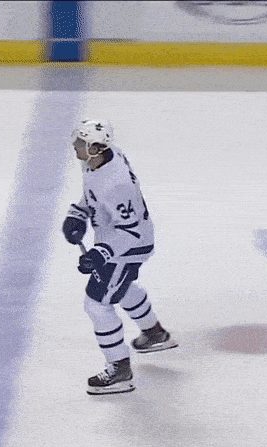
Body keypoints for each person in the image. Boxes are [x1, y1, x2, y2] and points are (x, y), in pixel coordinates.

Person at [62, 119, 178, 395]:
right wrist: (78, 212)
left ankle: (120, 370)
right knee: (120, 289)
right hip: (117, 244)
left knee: (97, 304)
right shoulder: (100, 160)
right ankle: (154, 333)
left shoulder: (116, 184)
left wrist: (101, 253)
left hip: (127, 249)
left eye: (81, 143)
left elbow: (131, 231)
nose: (75, 145)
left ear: (95, 148)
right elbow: (94, 193)